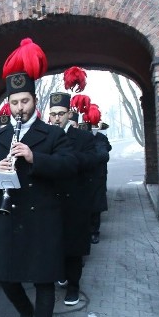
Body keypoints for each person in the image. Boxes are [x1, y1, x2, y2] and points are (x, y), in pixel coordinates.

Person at [0, 38, 77, 317]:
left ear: (34, 102)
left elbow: (69, 167)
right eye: (14, 102)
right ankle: (25, 311)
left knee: (44, 280)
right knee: (6, 277)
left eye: (24, 101)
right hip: (8, 216)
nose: (19, 107)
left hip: (42, 217)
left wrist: (36, 157)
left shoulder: (52, 135)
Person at [48, 89, 103, 306]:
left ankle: (73, 286)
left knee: (74, 246)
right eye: (53, 114)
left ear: (69, 114)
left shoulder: (83, 137)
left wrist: (68, 158)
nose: (56, 118)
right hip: (51, 199)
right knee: (54, 243)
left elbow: (92, 160)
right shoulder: (46, 135)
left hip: (75, 199)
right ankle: (60, 274)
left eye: (61, 113)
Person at [79, 104, 111, 244]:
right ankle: (86, 230)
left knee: (95, 207)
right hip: (83, 177)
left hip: (97, 177)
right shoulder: (81, 137)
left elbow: (104, 154)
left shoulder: (100, 139)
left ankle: (94, 232)